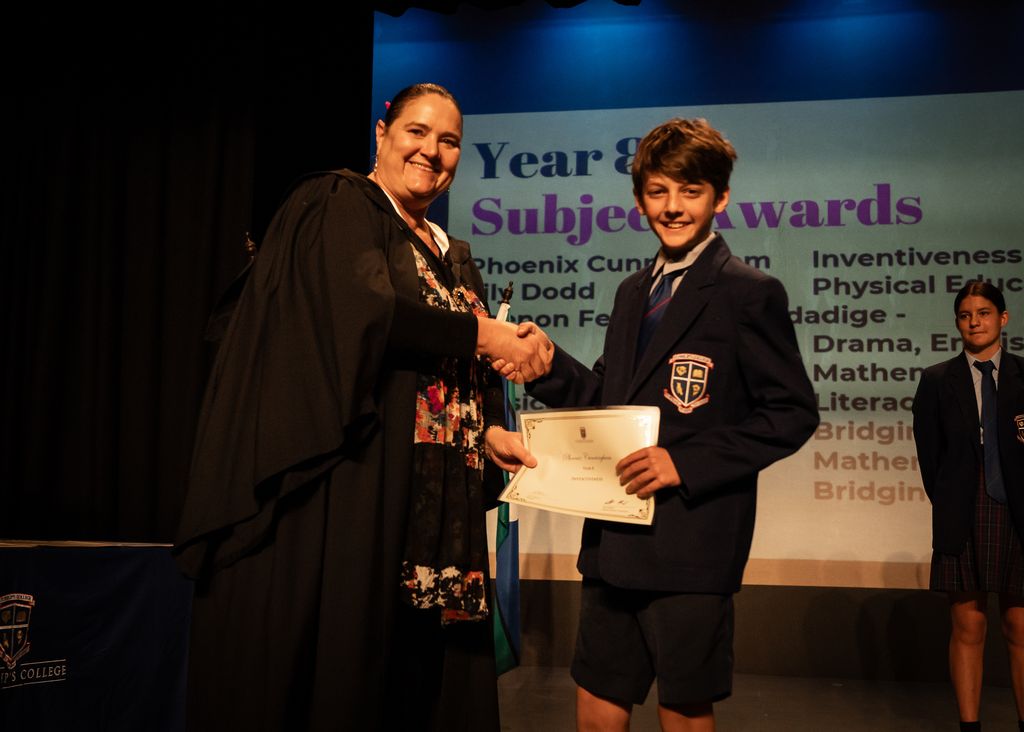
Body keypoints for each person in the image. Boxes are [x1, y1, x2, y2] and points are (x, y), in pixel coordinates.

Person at [172, 82, 550, 731]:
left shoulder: (451, 254)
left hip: (438, 517)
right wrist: (483, 335)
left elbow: (452, 371)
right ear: (382, 133)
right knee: (354, 682)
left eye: (449, 141)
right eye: (417, 132)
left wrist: (490, 428)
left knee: (422, 686)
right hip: (357, 497)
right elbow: (366, 313)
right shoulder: (339, 203)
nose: (431, 151)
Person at [518, 117, 819, 731]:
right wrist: (548, 367)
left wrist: (684, 463)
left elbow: (792, 412)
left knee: (681, 710)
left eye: (690, 191)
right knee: (596, 704)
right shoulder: (633, 292)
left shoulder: (749, 293)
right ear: (639, 200)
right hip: (613, 538)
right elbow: (610, 400)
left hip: (691, 543)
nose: (673, 207)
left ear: (720, 197)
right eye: (658, 191)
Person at [912, 280, 1024, 732]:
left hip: (1019, 512)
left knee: (1020, 628)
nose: (974, 322)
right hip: (964, 510)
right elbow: (930, 458)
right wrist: (951, 504)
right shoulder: (938, 380)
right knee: (969, 627)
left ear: (1003, 318)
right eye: (965, 315)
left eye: (983, 313)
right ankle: (970, 727)